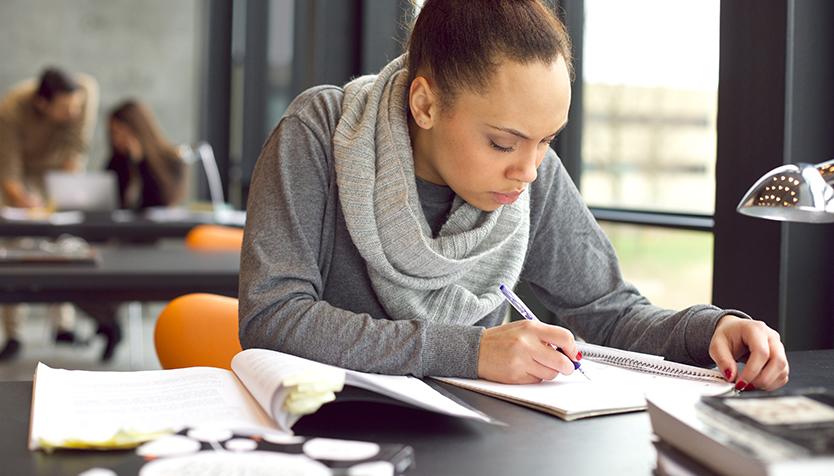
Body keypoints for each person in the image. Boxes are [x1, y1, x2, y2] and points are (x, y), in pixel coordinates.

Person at [239, 0, 789, 392]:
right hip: (331, 435)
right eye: (503, 141)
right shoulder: (322, 132)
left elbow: (606, 311)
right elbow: (274, 316)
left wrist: (712, 329)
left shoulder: (529, 174)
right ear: (425, 105)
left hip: (484, 441)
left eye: (546, 140)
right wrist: (471, 351)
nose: (528, 169)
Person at [0, 67, 98, 360]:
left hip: (58, 171)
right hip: (23, 174)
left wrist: (62, 198)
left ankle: (62, 326)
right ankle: (14, 334)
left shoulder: (85, 92)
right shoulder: (11, 111)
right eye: (65, 108)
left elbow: (76, 149)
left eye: (75, 106)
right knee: (15, 247)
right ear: (43, 104)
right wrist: (31, 206)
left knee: (63, 241)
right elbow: (10, 173)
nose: (73, 113)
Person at [106, 100, 186, 210]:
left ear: (137, 130)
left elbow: (163, 199)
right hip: (123, 226)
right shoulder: (117, 162)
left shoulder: (173, 160)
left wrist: (139, 161)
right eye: (113, 133)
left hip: (158, 226)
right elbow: (112, 200)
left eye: (120, 133)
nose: (116, 140)